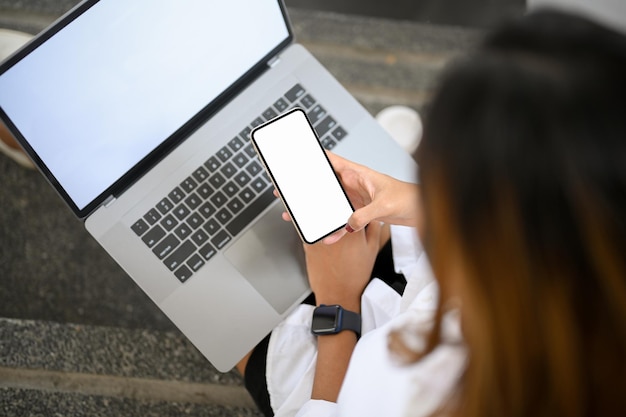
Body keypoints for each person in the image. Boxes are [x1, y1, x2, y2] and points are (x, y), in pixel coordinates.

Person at [238, 9, 626, 417]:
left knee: (243, 330)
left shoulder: (415, 384)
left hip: (347, 346)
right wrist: (420, 202)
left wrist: (338, 306)